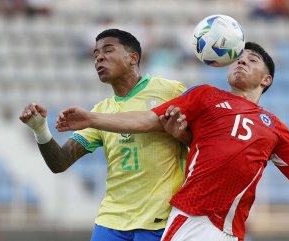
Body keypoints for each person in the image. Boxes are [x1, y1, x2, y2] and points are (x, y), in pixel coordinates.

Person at [56, 42, 289, 241]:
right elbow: (148, 120)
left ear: (266, 80)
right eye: (238, 59)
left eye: (251, 60)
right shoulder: (205, 96)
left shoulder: (274, 127)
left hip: (231, 229)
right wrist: (93, 119)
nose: (241, 63)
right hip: (192, 218)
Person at [19, 29, 189, 241]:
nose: (99, 57)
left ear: (133, 58)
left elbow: (199, 137)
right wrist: (40, 129)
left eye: (108, 50)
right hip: (111, 221)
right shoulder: (100, 111)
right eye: (95, 54)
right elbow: (60, 162)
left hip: (160, 219)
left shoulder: (170, 91)